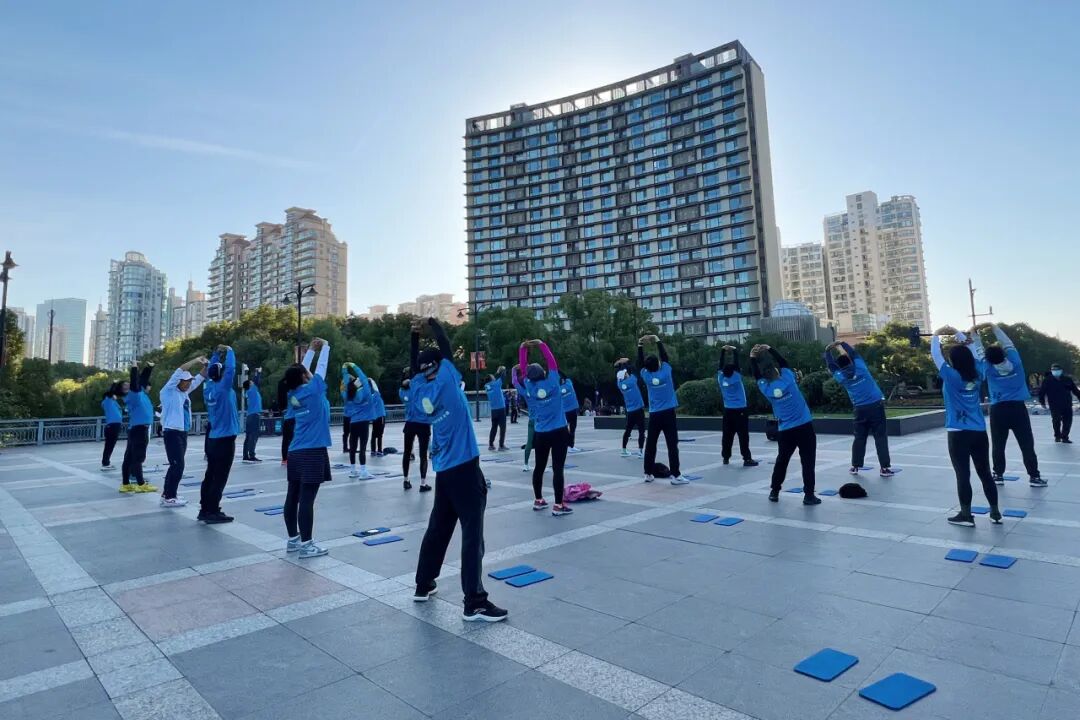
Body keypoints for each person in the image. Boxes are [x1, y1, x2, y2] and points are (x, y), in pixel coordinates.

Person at [412, 317, 507, 622]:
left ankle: (423, 584)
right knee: (472, 535)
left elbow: (416, 368)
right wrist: (431, 323)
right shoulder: (448, 380)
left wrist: (414, 336)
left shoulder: (419, 391)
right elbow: (446, 346)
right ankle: (474, 602)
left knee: (438, 529)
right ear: (440, 366)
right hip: (465, 467)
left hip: (444, 471)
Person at [932, 327, 1001, 526]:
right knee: (985, 473)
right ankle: (995, 512)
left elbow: (936, 355)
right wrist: (959, 334)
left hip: (958, 433)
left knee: (963, 475)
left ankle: (966, 515)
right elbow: (973, 350)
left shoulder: (950, 375)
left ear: (953, 361)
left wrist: (936, 335)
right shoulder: (978, 373)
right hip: (979, 432)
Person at [283, 337, 333, 558]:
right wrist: (325, 347)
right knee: (307, 499)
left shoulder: (293, 394)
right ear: (304, 377)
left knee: (292, 496)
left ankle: (293, 540)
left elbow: (302, 372)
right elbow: (321, 368)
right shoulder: (314, 390)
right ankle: (307, 545)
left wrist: (310, 351)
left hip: (295, 451)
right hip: (313, 450)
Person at [976, 324, 1044, 486]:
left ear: (989, 358)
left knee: (998, 445)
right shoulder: (1016, 362)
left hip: (998, 410)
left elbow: (979, 351)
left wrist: (974, 334)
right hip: (1018, 409)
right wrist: (994, 327)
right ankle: (1034, 476)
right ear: (1003, 354)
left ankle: (998, 475)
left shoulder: (988, 368)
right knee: (1027, 444)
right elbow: (1008, 343)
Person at [750, 344, 819, 505]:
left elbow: (756, 375)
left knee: (782, 461)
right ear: (776, 371)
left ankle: (774, 492)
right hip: (804, 427)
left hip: (785, 431)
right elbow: (784, 362)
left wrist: (752, 358)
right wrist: (770, 349)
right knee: (808, 462)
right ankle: (809, 495)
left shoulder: (766, 389)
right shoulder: (788, 379)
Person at [518, 339, 573, 515]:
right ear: (543, 373)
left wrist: (523, 349)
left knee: (539, 467)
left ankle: (538, 500)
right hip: (559, 431)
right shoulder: (553, 382)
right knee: (558, 468)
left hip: (541, 433)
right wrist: (541, 344)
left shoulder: (529, 386)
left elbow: (523, 368)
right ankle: (558, 505)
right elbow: (551, 361)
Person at [824, 341, 894, 477]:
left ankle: (855, 466)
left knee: (859, 438)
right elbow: (854, 353)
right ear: (850, 362)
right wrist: (843, 343)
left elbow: (831, 366)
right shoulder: (861, 368)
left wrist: (827, 351)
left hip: (859, 410)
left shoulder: (841, 377)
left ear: (840, 367)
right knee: (880, 437)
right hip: (876, 406)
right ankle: (884, 468)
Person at [638, 334, 688, 485]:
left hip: (654, 414)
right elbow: (665, 357)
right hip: (668, 414)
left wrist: (640, 345)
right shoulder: (665, 372)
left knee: (651, 444)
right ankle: (676, 475)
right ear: (659, 363)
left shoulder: (646, 376)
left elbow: (640, 364)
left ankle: (648, 473)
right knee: (672, 445)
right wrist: (657, 340)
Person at [159, 356, 208, 508]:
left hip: (182, 432)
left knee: (175, 464)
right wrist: (196, 360)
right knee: (178, 465)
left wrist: (208, 364)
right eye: (185, 381)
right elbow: (180, 369)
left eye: (189, 382)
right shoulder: (168, 391)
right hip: (172, 432)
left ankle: (167, 493)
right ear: (178, 381)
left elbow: (200, 378)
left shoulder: (184, 393)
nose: (188, 384)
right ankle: (170, 497)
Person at [200, 345, 240, 524]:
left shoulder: (208, 388)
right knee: (220, 477)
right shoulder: (223, 388)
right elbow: (231, 368)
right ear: (222, 374)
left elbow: (213, 370)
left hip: (213, 438)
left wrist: (216, 354)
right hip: (225, 439)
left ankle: (204, 509)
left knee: (210, 475)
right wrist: (229, 351)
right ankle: (213, 511)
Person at [717, 345, 758, 467]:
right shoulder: (736, 377)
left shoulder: (721, 378)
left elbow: (720, 365)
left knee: (727, 435)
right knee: (743, 435)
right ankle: (747, 458)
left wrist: (723, 351)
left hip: (728, 410)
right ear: (734, 371)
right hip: (740, 410)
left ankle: (725, 457)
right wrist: (734, 350)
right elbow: (736, 363)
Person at [120, 362, 156, 493]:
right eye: (125, 386)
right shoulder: (134, 395)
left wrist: (149, 368)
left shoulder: (138, 393)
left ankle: (125, 484)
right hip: (140, 429)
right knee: (138, 458)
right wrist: (134, 367)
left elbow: (142, 380)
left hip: (136, 429)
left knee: (129, 457)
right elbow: (135, 380)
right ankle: (141, 484)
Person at [399, 361, 432, 492]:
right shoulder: (421, 387)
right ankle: (423, 483)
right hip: (423, 423)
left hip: (410, 423)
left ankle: (406, 480)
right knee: (423, 454)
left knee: (407, 452)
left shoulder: (402, 391)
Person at [343, 362, 375, 479]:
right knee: (362, 447)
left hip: (353, 422)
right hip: (364, 423)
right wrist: (354, 366)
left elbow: (345, 381)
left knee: (353, 447)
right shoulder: (366, 393)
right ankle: (363, 472)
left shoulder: (349, 395)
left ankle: (353, 470)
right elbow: (363, 378)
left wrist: (344, 369)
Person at [1039, 362, 1080, 443]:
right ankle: (1057, 436)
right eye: (1054, 370)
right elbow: (1042, 392)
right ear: (1051, 371)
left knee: (1068, 421)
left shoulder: (1067, 379)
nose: (1056, 371)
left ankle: (1065, 437)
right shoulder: (1047, 380)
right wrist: (1042, 402)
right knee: (1056, 420)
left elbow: (1075, 390)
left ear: (1061, 370)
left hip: (1067, 404)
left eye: (1057, 370)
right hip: (1054, 404)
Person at [614, 357, 645, 458]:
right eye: (626, 373)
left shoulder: (620, 384)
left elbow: (620, 375)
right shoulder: (632, 381)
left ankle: (624, 450)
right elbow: (634, 369)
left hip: (630, 411)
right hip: (639, 409)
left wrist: (620, 364)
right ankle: (640, 451)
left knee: (628, 430)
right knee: (641, 431)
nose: (627, 373)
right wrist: (626, 361)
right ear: (625, 375)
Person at [512, 365, 535, 472]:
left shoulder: (525, 392)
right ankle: (542, 465)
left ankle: (526, 464)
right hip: (543, 420)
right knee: (543, 443)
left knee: (529, 442)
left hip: (532, 419)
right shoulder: (539, 387)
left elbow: (515, 382)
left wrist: (514, 370)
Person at [100, 382, 126, 471]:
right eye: (114, 395)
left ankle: (106, 462)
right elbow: (110, 392)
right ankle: (105, 463)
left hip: (115, 425)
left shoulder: (113, 403)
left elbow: (121, 409)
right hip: (112, 426)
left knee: (111, 445)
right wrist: (114, 384)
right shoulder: (107, 401)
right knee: (109, 445)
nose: (115, 396)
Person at [242, 367, 263, 463]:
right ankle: (252, 455)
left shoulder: (249, 392)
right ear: (250, 385)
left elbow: (255, 382)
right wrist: (257, 372)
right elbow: (256, 381)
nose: (252, 382)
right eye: (251, 382)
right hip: (255, 415)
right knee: (254, 436)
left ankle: (245, 455)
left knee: (248, 436)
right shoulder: (252, 391)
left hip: (250, 415)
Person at [485, 367, 508, 452]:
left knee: (494, 427)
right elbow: (503, 376)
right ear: (491, 379)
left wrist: (497, 373)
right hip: (501, 409)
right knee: (503, 428)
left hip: (493, 410)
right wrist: (502, 370)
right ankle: (501, 445)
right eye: (493, 376)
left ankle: (491, 445)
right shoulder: (496, 384)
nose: (494, 377)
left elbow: (494, 379)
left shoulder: (487, 386)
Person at [277, 374, 296, 464]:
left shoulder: (284, 394)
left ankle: (284, 459)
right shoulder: (292, 394)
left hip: (286, 419)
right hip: (292, 418)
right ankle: (292, 457)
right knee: (292, 439)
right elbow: (298, 405)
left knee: (285, 439)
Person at [560, 375, 580, 452]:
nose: (562, 380)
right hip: (565, 411)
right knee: (564, 429)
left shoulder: (568, 382)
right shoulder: (558, 388)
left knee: (573, 428)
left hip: (573, 409)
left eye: (563, 379)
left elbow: (565, 376)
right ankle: (564, 445)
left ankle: (571, 446)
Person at [369, 378, 386, 457]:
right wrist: (371, 380)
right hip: (381, 416)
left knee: (373, 434)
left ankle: (373, 450)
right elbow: (375, 387)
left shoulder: (370, 398)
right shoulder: (377, 395)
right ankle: (379, 450)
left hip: (374, 417)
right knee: (380, 435)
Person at [340, 379, 351, 455]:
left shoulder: (345, 394)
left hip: (346, 416)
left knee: (346, 433)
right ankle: (348, 447)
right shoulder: (350, 394)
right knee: (349, 433)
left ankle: (345, 447)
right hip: (350, 416)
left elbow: (342, 389)